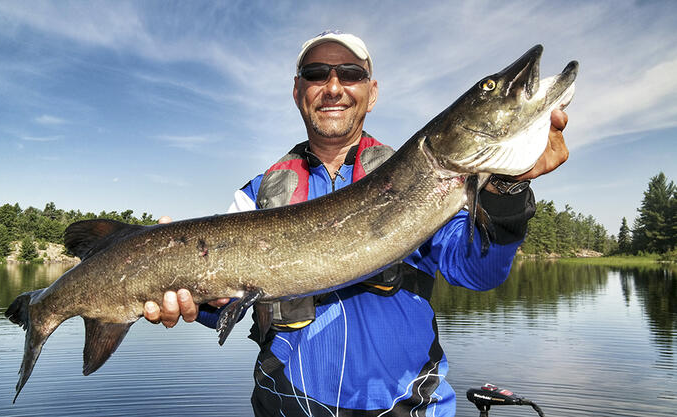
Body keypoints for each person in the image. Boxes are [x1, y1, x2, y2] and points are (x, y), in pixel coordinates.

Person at [144, 31, 569, 416]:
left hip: (411, 408)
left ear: (372, 91)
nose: (333, 87)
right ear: (298, 91)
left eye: (350, 74)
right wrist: (187, 299)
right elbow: (222, 304)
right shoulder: (255, 196)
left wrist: (507, 189)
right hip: (289, 406)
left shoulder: (425, 177)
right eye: (316, 74)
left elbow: (479, 271)